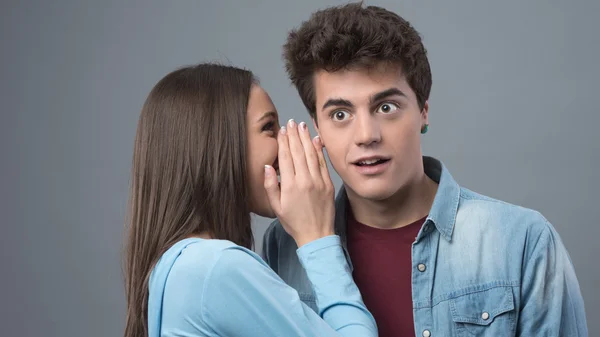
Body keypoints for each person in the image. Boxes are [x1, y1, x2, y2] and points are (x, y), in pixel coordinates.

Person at [262, 3, 588, 337]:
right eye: (340, 115)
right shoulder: (285, 244)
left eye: (386, 107)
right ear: (317, 126)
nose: (366, 136)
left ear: (424, 112)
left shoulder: (523, 240)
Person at [122, 63, 378, 337]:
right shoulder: (214, 268)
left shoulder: (179, 267)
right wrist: (317, 238)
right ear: (218, 143)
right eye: (269, 127)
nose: (286, 144)